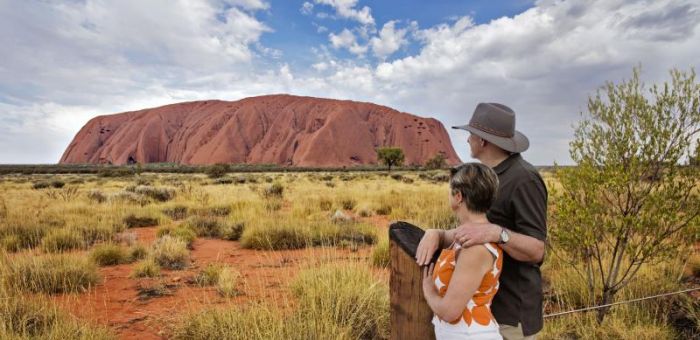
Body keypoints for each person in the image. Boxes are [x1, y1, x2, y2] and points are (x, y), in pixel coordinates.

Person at [416, 103, 548, 340]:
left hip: (511, 316)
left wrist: (497, 233)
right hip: (483, 312)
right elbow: (472, 231)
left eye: (471, 135)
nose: (467, 140)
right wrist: (436, 234)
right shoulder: (486, 176)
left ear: (483, 141)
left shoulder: (524, 179)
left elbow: (537, 250)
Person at [421, 162, 503, 340]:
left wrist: (428, 291)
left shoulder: (475, 248)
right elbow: (446, 236)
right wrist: (433, 233)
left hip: (471, 335)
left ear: (458, 197)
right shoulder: (470, 235)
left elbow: (450, 312)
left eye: (450, 191)